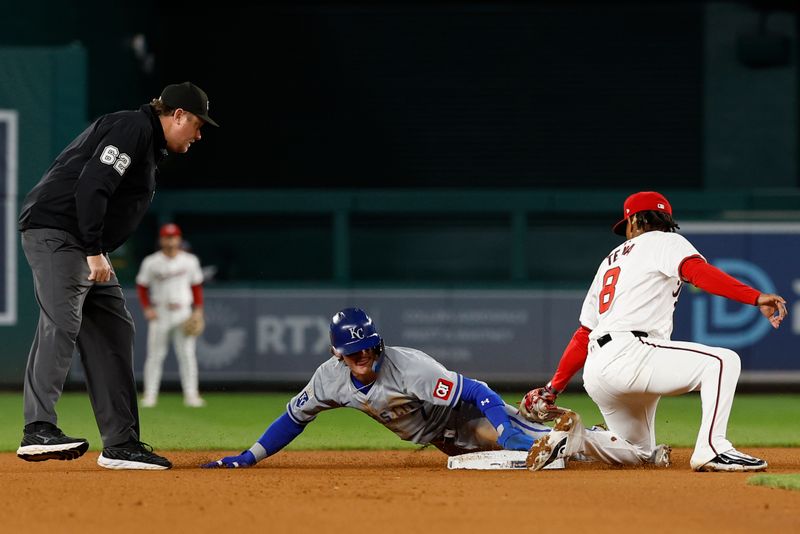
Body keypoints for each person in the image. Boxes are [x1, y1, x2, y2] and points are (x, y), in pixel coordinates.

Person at [16, 82, 218, 470]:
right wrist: (93, 249)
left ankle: (121, 444)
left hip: (85, 242)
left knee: (115, 329)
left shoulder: (145, 142)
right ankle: (38, 429)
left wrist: (95, 248)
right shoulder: (133, 128)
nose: (198, 133)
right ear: (176, 115)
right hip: (61, 233)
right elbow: (93, 184)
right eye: (196, 123)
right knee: (62, 321)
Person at [521, 191, 787, 472]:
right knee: (723, 362)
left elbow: (584, 332)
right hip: (633, 353)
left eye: (626, 225)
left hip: (598, 369)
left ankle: (578, 439)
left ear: (635, 219)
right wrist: (754, 297)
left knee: (638, 452)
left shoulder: (610, 260)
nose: (626, 231)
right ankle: (713, 448)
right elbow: (699, 273)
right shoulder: (667, 241)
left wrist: (553, 389)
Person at [202, 307, 651, 469]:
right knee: (528, 455)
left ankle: (639, 453)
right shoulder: (329, 379)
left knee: (539, 447)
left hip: (467, 419)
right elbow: (293, 419)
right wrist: (250, 455)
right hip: (443, 440)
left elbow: (475, 390)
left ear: (377, 344)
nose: (364, 358)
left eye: (369, 349)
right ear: (338, 354)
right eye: (354, 353)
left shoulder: (408, 366)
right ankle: (554, 439)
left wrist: (506, 428)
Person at [136, 222, 206, 408]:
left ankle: (191, 395)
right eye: (167, 237)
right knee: (155, 356)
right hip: (160, 312)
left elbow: (196, 286)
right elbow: (142, 286)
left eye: (173, 236)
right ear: (161, 239)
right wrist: (147, 308)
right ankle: (150, 396)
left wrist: (198, 310)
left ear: (179, 238)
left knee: (187, 355)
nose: (171, 240)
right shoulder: (151, 262)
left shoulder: (189, 261)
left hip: (183, 312)